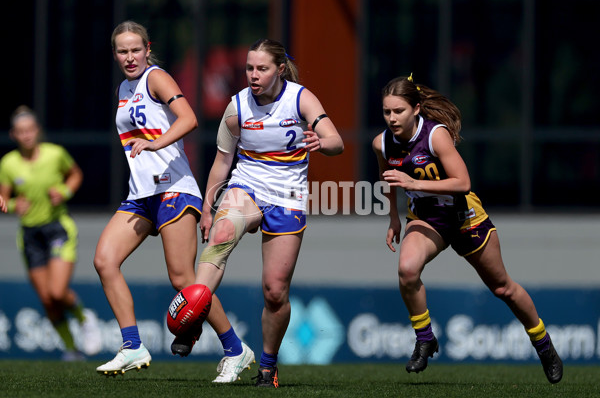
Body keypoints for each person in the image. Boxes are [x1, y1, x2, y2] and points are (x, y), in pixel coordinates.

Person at [372, 74, 563, 384]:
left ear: (416, 108)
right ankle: (425, 338)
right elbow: (387, 181)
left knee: (503, 288)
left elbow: (463, 183)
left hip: (464, 218)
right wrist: (393, 218)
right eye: (386, 111)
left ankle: (544, 345)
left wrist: (415, 183)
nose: (392, 118)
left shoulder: (435, 136)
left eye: (399, 111)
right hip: (426, 218)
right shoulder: (381, 143)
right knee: (407, 270)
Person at [94, 21, 254, 382]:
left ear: (147, 49)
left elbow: (191, 119)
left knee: (183, 279)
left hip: (174, 188)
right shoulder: (124, 87)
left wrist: (155, 142)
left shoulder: (156, 77)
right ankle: (132, 346)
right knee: (104, 260)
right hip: (141, 195)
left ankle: (235, 350)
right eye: (122, 51)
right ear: (116, 53)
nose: (130, 56)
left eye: (136, 49)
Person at [190, 38, 344, 388]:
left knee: (275, 291)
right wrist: (208, 208)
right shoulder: (236, 107)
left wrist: (322, 143)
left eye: (261, 69)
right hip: (246, 187)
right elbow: (222, 162)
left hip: (289, 196)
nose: (253, 75)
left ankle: (268, 366)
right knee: (221, 237)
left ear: (279, 70)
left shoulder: (299, 98)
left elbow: (336, 141)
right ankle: (193, 319)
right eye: (249, 68)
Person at [0, 105, 101, 361]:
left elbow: (75, 174)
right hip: (30, 235)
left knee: (57, 291)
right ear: (14, 134)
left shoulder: (55, 154)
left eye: (30, 130)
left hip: (58, 228)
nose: (26, 136)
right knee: (47, 300)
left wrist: (65, 191)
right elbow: (4, 197)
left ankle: (84, 317)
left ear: (37, 131)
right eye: (20, 132)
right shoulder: (8, 163)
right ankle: (72, 350)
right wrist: (12, 205)